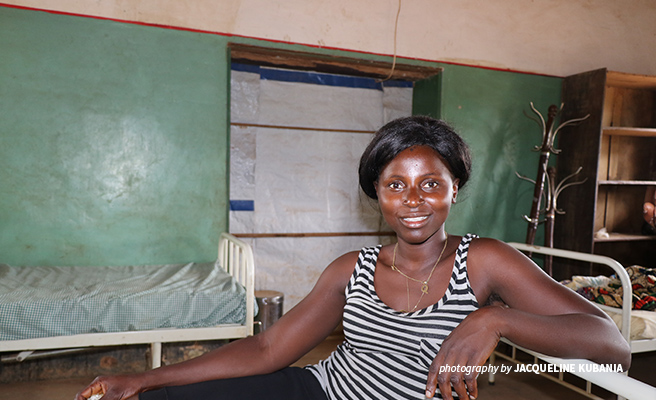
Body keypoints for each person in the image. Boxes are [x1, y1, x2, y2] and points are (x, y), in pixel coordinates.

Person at [76, 116, 630, 400]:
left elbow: (613, 347)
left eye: (430, 184)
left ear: (455, 188)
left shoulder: (483, 261)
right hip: (319, 389)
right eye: (395, 185)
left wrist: (497, 317)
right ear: (377, 194)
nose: (412, 202)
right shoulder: (352, 269)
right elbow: (270, 347)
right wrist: (149, 379)